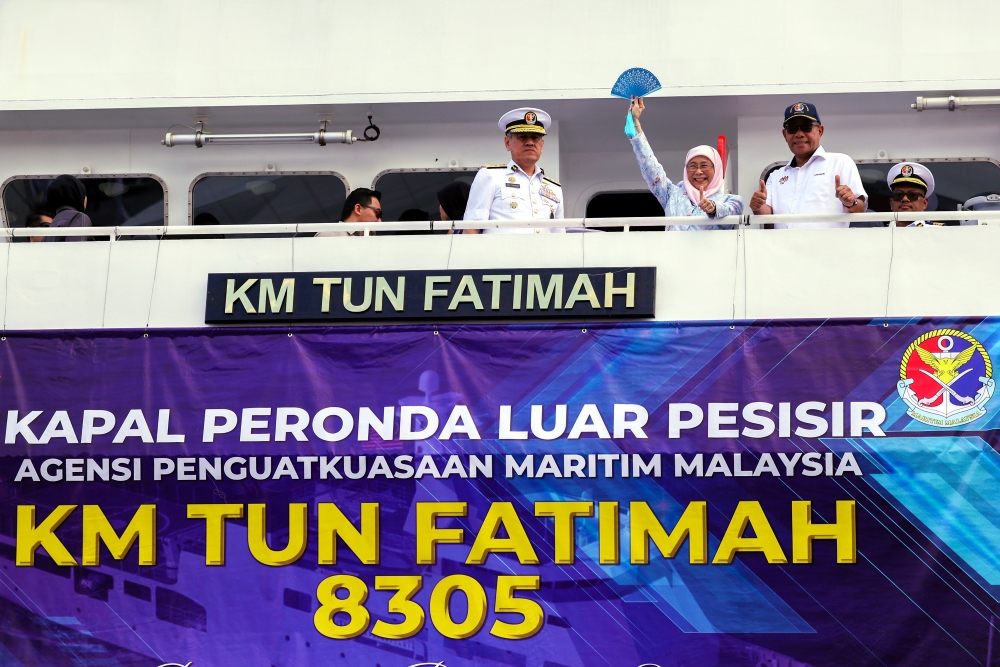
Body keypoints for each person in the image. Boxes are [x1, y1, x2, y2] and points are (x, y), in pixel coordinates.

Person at [627, 97, 743, 230]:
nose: (698, 171)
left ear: (716, 169)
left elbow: (730, 215)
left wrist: (713, 208)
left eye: (704, 165)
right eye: (692, 166)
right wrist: (635, 122)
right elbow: (650, 168)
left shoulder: (732, 200)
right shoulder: (671, 194)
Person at [749, 103, 866, 229]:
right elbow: (765, 214)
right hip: (784, 243)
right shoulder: (776, 176)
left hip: (827, 242)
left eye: (806, 127)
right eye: (792, 129)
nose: (799, 134)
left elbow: (860, 208)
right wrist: (758, 206)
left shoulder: (841, 162)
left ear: (820, 131)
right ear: (785, 135)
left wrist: (851, 202)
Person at [463, 108, 564, 234]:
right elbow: (471, 228)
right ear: (507, 143)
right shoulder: (490, 176)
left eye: (535, 138)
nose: (530, 143)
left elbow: (560, 234)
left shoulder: (554, 188)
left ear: (542, 145)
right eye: (522, 137)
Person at [44, 175, 92, 242]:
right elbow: (76, 247)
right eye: (84, 195)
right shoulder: (79, 217)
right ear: (77, 195)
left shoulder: (53, 223)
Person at [316, 188, 382, 237]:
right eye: (377, 213)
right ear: (358, 209)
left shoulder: (372, 242)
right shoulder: (329, 236)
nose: (380, 221)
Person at [887, 162, 936, 227]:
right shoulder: (877, 232)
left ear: (924, 203)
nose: (905, 199)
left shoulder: (941, 231)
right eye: (899, 195)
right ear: (891, 203)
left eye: (913, 195)